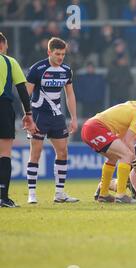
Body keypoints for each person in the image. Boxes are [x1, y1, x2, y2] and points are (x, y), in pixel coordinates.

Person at [81, 96, 136, 203]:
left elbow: (123, 139)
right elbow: (128, 142)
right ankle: (121, 195)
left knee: (113, 157)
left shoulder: (135, 106)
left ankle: (103, 194)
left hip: (88, 127)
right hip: (97, 128)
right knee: (126, 155)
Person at [25, 37, 78, 204]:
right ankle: (32, 194)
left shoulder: (66, 70)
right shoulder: (37, 69)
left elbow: (70, 94)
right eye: (57, 54)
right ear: (49, 52)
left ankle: (59, 193)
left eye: (63, 54)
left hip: (57, 116)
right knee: (36, 153)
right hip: (39, 116)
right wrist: (28, 116)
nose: (61, 57)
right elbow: (25, 95)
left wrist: (74, 118)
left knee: (63, 152)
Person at [0, 32, 37, 208]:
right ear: (2, 45)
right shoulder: (9, 61)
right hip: (3, 108)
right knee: (4, 153)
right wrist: (28, 113)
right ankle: (3, 197)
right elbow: (22, 90)